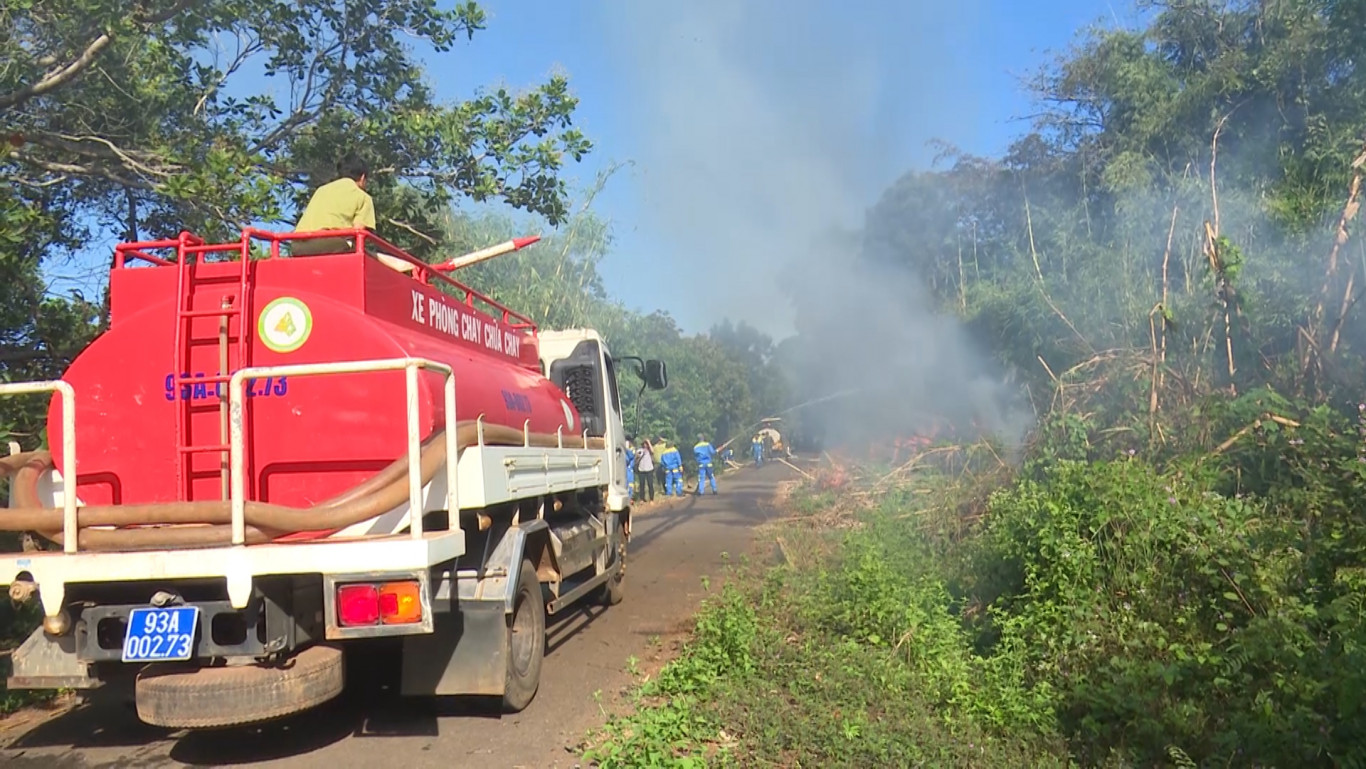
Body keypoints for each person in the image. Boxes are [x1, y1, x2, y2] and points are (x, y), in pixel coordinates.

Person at [291, 152, 414, 273]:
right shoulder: (363, 197)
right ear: (362, 178)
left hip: (298, 247)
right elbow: (359, 234)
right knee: (367, 257)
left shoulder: (321, 190)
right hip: (328, 245)